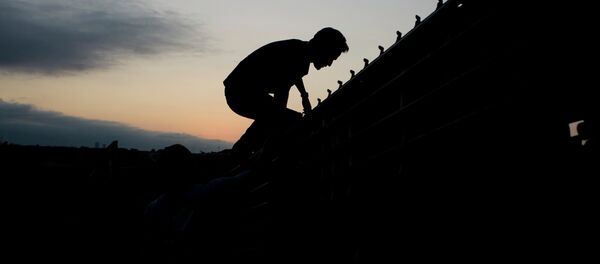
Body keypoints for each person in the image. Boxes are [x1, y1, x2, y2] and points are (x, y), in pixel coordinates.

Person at [224, 27, 349, 160]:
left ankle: (244, 153)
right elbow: (282, 90)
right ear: (324, 48)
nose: (329, 64)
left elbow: (294, 75)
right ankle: (244, 155)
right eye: (332, 58)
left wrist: (304, 96)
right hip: (240, 92)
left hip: (242, 90)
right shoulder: (297, 56)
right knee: (284, 119)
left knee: (278, 117)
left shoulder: (299, 51)